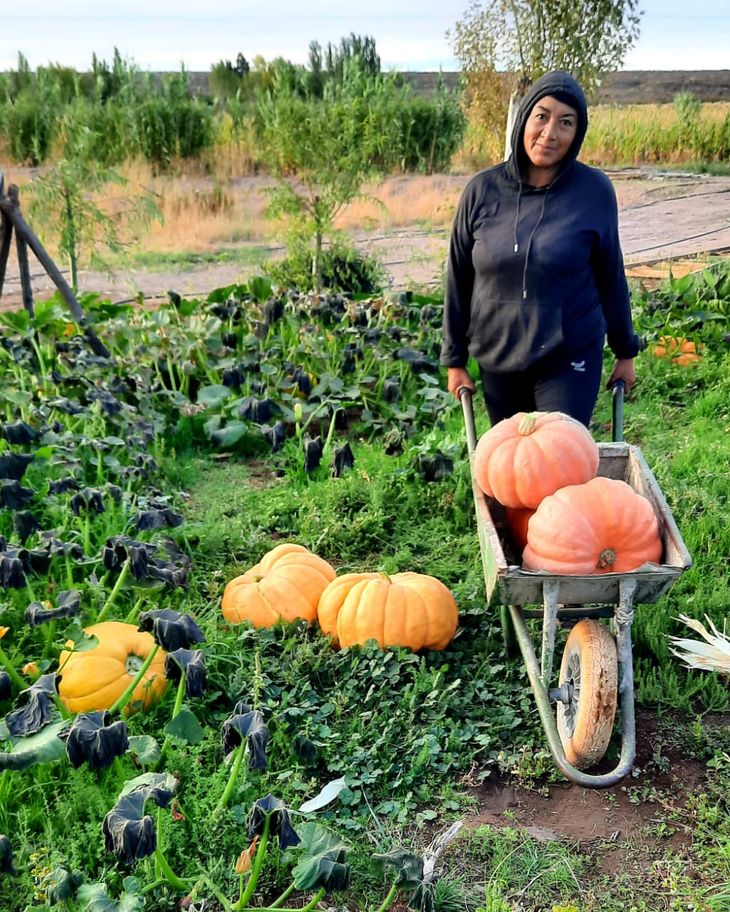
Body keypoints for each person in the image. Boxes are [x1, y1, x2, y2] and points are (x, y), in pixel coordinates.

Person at [441, 71, 640, 428]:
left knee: (558, 464)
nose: (550, 134)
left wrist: (625, 351)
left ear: (577, 133)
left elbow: (610, 274)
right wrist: (454, 359)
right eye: (542, 117)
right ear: (524, 119)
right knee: (513, 472)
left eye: (566, 122)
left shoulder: (593, 191)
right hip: (498, 355)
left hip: (568, 357)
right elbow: (459, 275)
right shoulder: (481, 191)